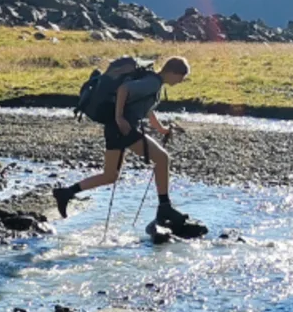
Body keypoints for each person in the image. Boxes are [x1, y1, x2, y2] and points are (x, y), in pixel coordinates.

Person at [53, 56, 207, 240]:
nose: (181, 81)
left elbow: (147, 109)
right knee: (162, 158)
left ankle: (65, 193)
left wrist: (161, 129)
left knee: (110, 175)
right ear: (173, 72)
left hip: (115, 129)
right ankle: (164, 207)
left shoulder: (151, 83)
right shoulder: (152, 83)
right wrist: (120, 118)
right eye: (181, 77)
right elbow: (123, 89)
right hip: (121, 128)